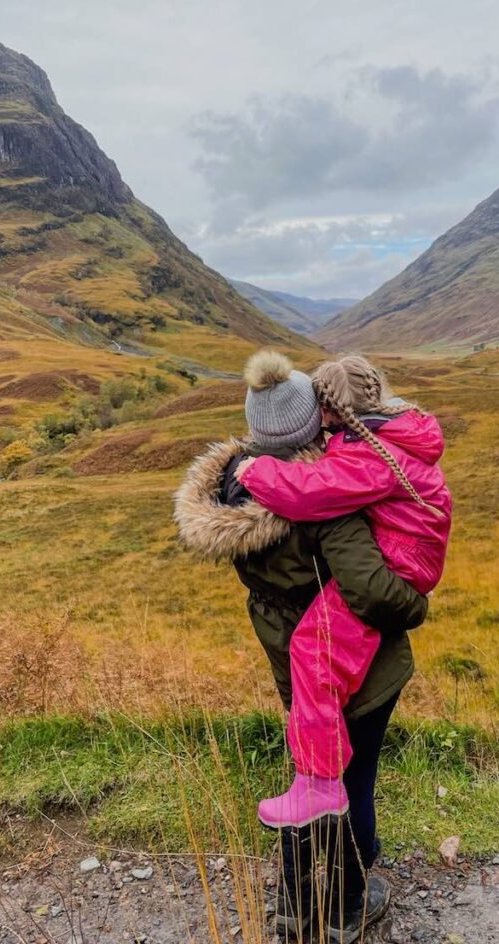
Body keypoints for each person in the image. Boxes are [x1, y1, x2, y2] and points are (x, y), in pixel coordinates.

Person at [174, 350, 429, 943]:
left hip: (289, 664)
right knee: (350, 780)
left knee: (307, 775)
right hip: (357, 670)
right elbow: (369, 589)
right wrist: (415, 606)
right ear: (312, 423)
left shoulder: (235, 497)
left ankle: (292, 904)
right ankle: (346, 908)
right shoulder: (325, 503)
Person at [236, 355, 452, 828]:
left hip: (400, 559)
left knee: (314, 650)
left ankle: (318, 785)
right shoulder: (387, 435)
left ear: (331, 412)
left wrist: (254, 473)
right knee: (362, 774)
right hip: (406, 559)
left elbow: (313, 490)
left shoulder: (365, 459)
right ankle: (345, 849)